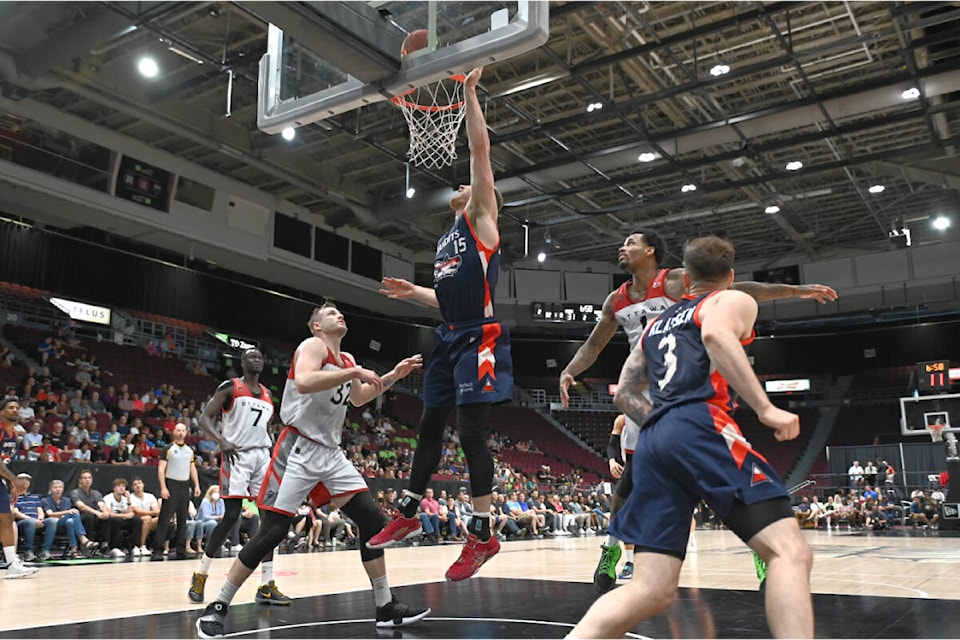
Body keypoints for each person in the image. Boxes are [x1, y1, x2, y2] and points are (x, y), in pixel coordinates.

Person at [556, 231, 836, 593]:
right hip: (640, 394)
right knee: (630, 478)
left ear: (651, 251)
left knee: (720, 473)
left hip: (685, 389)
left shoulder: (675, 281)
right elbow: (594, 343)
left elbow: (740, 289)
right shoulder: (617, 299)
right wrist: (569, 371)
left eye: (630, 242)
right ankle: (612, 548)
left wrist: (796, 292)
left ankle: (761, 552)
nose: (622, 248)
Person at [195, 303, 428, 638]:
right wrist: (353, 373)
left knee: (371, 521)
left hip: (330, 453)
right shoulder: (312, 347)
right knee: (272, 532)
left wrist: (393, 375)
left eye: (340, 313)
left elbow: (360, 398)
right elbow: (304, 381)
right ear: (317, 326)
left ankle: (385, 606)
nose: (339, 315)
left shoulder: (347, 361)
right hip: (298, 448)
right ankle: (216, 606)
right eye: (331, 313)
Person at [371, 66, 512, 582]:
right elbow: (451, 298)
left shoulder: (481, 219)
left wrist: (469, 93)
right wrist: (416, 294)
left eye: (467, 187)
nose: (460, 186)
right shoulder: (446, 238)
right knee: (430, 422)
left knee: (470, 433)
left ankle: (482, 534)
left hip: (481, 337)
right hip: (450, 333)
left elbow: (479, 154)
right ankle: (407, 514)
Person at [189, 348, 289, 606]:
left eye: (260, 356)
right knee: (231, 516)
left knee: (269, 521)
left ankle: (266, 585)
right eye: (252, 356)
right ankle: (201, 574)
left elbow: (263, 428)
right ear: (242, 363)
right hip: (237, 456)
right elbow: (204, 418)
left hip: (261, 457)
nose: (257, 359)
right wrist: (220, 440)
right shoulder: (230, 386)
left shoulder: (267, 394)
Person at [151, 422, 201, 560]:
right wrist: (163, 487)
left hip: (184, 485)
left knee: (182, 519)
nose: (180, 433)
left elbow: (192, 469)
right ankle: (158, 550)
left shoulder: (189, 451)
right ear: (174, 432)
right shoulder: (168, 449)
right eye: (178, 430)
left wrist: (196, 485)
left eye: (183, 430)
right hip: (171, 484)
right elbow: (161, 469)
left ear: (186, 433)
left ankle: (181, 549)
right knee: (165, 519)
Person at [0, 396, 38, 578]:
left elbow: (5, 463)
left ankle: (12, 563)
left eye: (17, 407)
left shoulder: (14, 434)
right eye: (10, 408)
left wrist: (11, 484)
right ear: (2, 412)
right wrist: (13, 480)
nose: (15, 410)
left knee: (6, 520)